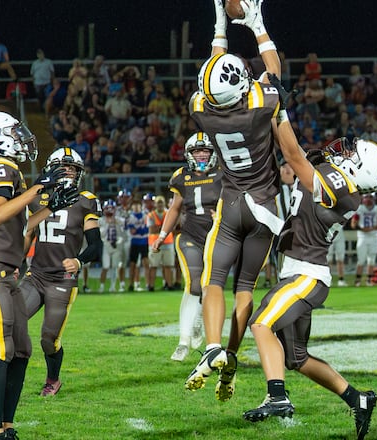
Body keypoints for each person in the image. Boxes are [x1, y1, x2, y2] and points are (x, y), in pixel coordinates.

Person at [251, 102, 377, 438]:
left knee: (261, 323)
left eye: (352, 153)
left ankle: (277, 395)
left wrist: (278, 111)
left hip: (306, 275)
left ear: (359, 169)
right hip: (300, 273)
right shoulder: (334, 181)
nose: (345, 150)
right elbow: (290, 165)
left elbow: (293, 155)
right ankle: (358, 399)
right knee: (296, 358)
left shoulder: (343, 191)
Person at [184, 0, 284, 401]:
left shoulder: (201, 110)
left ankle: (211, 347)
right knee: (246, 287)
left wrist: (219, 29)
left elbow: (214, 72)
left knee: (214, 281)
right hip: (264, 206)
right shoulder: (260, 105)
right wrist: (259, 27)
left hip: (230, 203)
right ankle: (232, 352)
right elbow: (274, 72)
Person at [0, 110, 77, 440]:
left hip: (6, 267)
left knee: (22, 348)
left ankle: (7, 427)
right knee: (1, 346)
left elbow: (23, 224)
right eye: (14, 131)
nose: (22, 137)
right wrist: (37, 190)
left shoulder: (10, 169)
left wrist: (49, 207)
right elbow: (0, 213)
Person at [22, 147, 102, 397]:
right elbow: (27, 234)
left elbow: (96, 245)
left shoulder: (85, 199)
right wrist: (14, 264)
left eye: (72, 169)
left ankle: (52, 379)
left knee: (49, 339)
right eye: (63, 167)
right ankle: (5, 381)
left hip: (63, 280)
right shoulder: (36, 196)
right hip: (34, 276)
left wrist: (78, 261)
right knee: (10, 321)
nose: (68, 172)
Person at [152, 132, 222, 362]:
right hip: (190, 236)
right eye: (197, 151)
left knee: (209, 287)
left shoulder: (222, 173)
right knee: (193, 283)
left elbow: (235, 200)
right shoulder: (181, 176)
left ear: (212, 153)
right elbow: (174, 209)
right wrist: (162, 235)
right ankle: (183, 341)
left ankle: (200, 320)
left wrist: (223, 213)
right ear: (189, 154)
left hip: (217, 237)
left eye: (205, 151)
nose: (201, 155)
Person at [351, 193, 377, 287]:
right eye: (366, 197)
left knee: (372, 260)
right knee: (361, 260)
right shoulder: (359, 209)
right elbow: (353, 224)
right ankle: (357, 280)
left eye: (370, 197)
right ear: (363, 198)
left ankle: (369, 280)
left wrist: (371, 228)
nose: (368, 199)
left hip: (374, 236)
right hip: (362, 236)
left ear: (374, 198)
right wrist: (362, 229)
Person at [146, 194, 176, 291]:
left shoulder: (168, 213)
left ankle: (169, 285)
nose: (160, 206)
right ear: (155, 205)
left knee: (168, 266)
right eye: (158, 204)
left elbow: (172, 227)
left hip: (168, 243)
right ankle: (150, 286)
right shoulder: (151, 215)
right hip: (155, 244)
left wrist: (160, 227)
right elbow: (151, 230)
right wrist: (165, 227)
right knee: (153, 266)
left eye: (161, 203)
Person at [97, 199, 127, 292]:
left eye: (111, 208)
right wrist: (107, 224)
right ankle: (101, 286)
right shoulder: (100, 221)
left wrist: (115, 223)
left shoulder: (119, 220)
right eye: (107, 208)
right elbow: (100, 235)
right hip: (106, 245)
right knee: (105, 266)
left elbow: (123, 233)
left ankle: (113, 286)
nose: (109, 211)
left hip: (116, 244)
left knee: (114, 266)